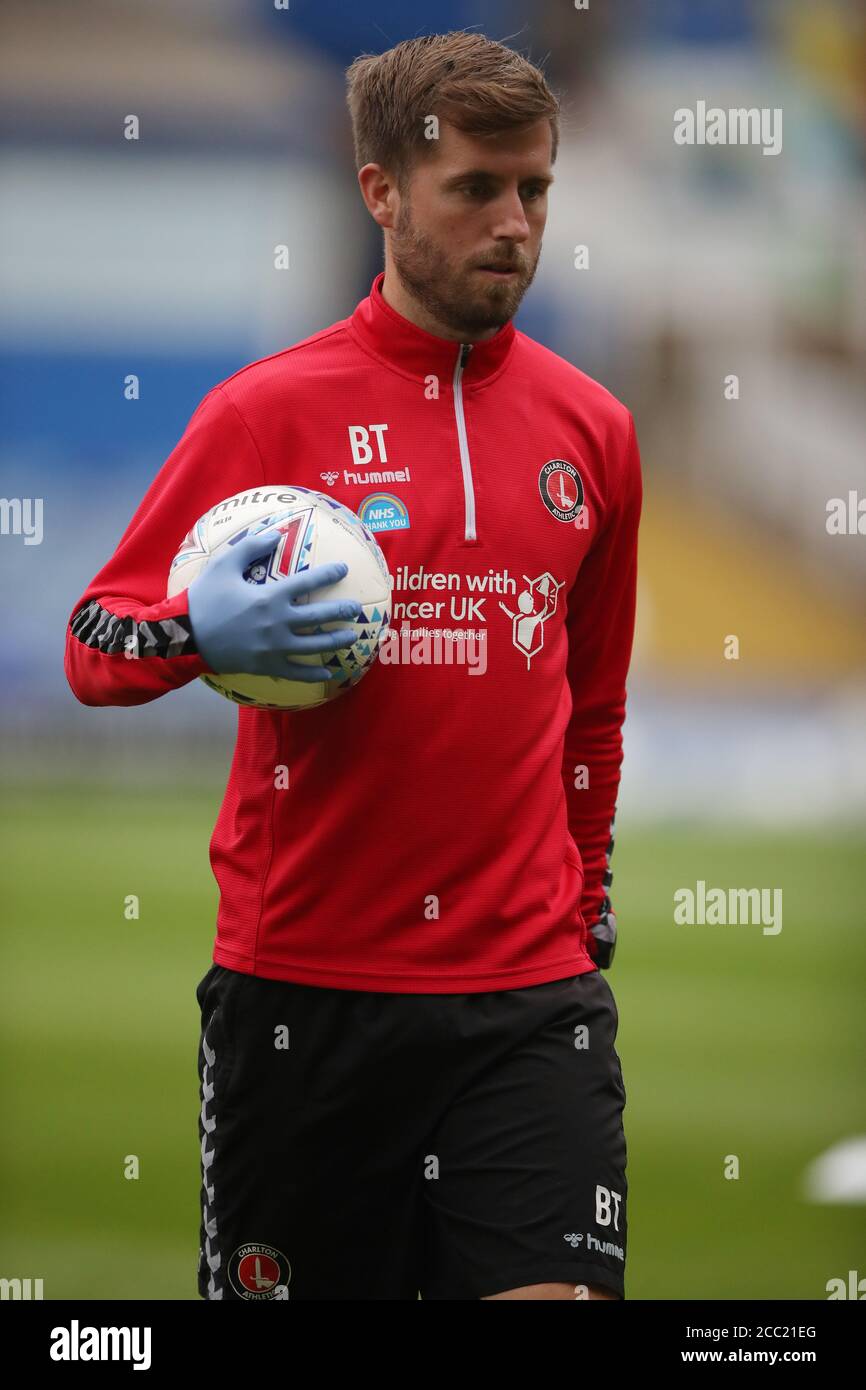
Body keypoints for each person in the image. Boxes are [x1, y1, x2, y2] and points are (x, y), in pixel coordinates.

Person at [64, 30, 642, 1301]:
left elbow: (590, 708)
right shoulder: (266, 414)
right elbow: (93, 642)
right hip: (304, 1001)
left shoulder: (593, 431)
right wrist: (200, 635)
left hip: (528, 999)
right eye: (474, 190)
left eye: (533, 190)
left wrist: (584, 896)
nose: (512, 224)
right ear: (380, 192)